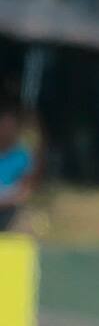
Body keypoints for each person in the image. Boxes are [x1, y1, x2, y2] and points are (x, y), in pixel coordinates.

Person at [0, 94, 33, 230]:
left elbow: (26, 187)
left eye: (11, 127)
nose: (8, 131)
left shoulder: (22, 155)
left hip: (12, 202)